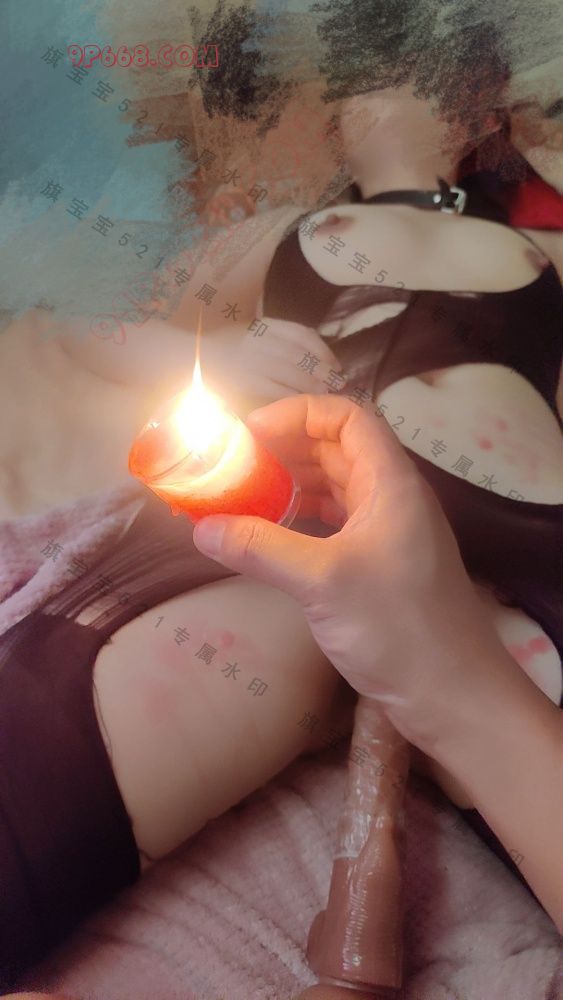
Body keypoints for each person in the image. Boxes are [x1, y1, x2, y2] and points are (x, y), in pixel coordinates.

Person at [1, 33, 562, 997]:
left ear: (477, 115)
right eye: (373, 83)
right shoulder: (282, 232)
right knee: (139, 711)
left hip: (524, 518)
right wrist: (222, 359)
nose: (394, 101)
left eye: (428, 83)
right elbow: (109, 328)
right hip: (291, 510)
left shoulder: (547, 251)